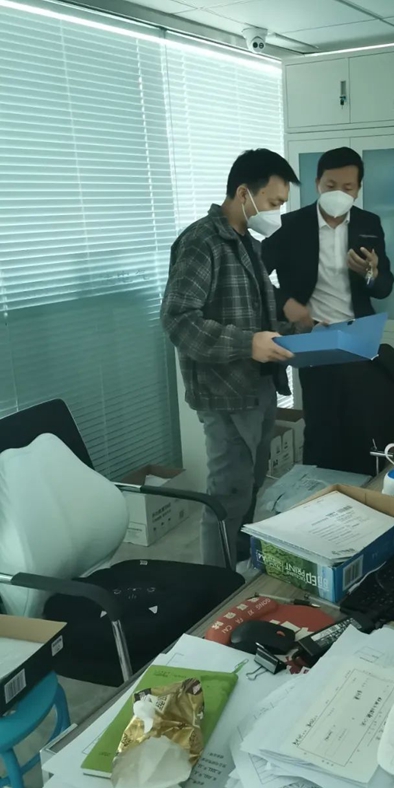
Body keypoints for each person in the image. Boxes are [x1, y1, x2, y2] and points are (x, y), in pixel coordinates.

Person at [161, 149, 299, 568]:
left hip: (259, 386)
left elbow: (258, 317)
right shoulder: (202, 242)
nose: (276, 212)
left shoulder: (248, 244)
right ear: (244, 193)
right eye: (273, 202)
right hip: (224, 393)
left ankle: (238, 570)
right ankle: (216, 588)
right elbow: (178, 320)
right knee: (226, 496)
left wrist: (302, 330)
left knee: (249, 488)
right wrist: (246, 344)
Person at [262, 146, 394, 472]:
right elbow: (255, 275)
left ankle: (360, 489)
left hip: (358, 336)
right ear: (317, 183)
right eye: (331, 185)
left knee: (362, 421)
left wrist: (371, 273)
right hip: (314, 338)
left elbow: (384, 286)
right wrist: (285, 303)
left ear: (358, 189)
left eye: (348, 187)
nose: (339, 193)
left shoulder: (369, 224)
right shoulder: (290, 225)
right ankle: (317, 489)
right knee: (321, 424)